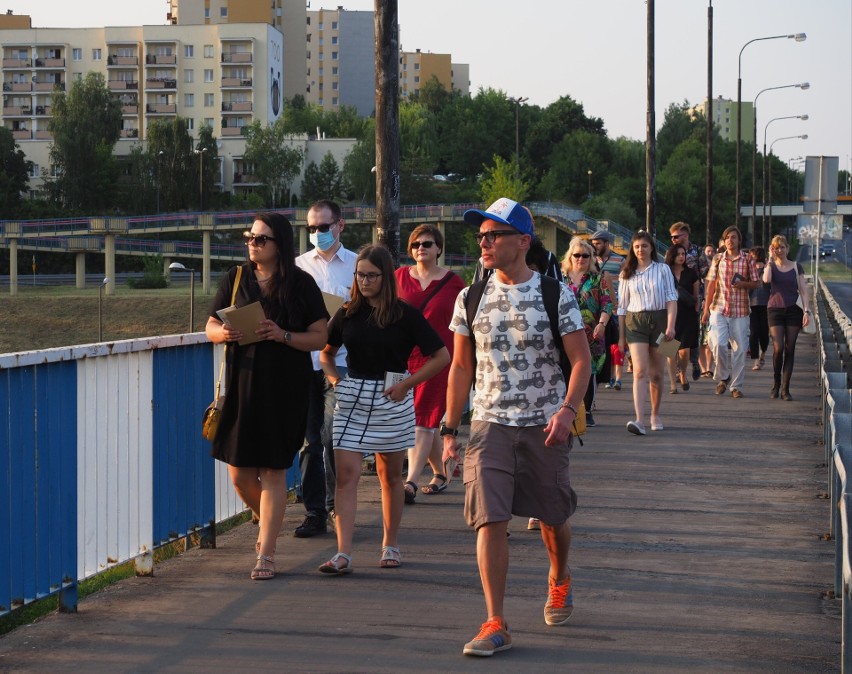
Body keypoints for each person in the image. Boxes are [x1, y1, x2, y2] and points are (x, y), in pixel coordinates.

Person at [442, 198, 591, 657]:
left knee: (552, 516)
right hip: (489, 425)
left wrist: (567, 409)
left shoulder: (554, 294)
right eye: (481, 235)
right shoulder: (469, 297)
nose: (484, 242)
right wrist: (450, 431)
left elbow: (582, 359)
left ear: (522, 242)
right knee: (489, 519)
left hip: (545, 423)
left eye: (494, 235)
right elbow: (460, 369)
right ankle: (495, 622)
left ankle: (559, 576)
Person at [206, 213, 329, 580]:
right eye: (250, 237)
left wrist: (283, 335)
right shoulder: (236, 277)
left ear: (280, 245)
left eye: (261, 239)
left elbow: (320, 337)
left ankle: (267, 554)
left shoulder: (301, 284)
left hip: (285, 389)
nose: (252, 243)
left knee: (274, 470)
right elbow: (211, 323)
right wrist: (222, 335)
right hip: (242, 387)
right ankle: (268, 521)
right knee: (239, 474)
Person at [317, 245, 449, 574]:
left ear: (386, 277)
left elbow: (441, 357)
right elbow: (326, 353)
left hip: (393, 397)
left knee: (389, 477)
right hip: (352, 398)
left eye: (371, 275)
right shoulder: (347, 313)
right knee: (345, 478)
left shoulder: (405, 314)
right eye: (359, 274)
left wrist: (408, 384)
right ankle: (343, 553)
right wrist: (335, 380)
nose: (364, 281)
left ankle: (390, 545)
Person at [293, 200, 358, 538]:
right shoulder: (298, 266)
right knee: (308, 441)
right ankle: (314, 511)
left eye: (323, 226)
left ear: (340, 226)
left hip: (341, 363)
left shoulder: (357, 265)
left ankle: (336, 507)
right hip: (305, 363)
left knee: (334, 437)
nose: (317, 233)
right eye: (312, 228)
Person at [394, 224, 465, 502]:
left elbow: (463, 321)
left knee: (422, 417)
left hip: (439, 357)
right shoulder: (398, 277)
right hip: (404, 356)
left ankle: (410, 482)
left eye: (427, 243)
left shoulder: (454, 282)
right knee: (427, 420)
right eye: (415, 245)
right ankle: (440, 473)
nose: (420, 248)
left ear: (438, 248)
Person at [616, 230, 678, 435]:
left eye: (644, 246)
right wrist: (622, 338)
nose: (640, 250)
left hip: (661, 321)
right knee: (640, 371)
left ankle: (655, 414)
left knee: (658, 374)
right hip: (636, 323)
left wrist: (671, 326)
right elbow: (622, 307)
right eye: (636, 247)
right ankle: (639, 420)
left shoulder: (663, 270)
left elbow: (671, 298)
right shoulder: (626, 273)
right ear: (632, 250)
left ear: (651, 247)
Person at [700, 226, 760, 398]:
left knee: (739, 349)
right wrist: (705, 310)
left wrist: (744, 284)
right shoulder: (718, 259)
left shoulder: (748, 259)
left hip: (740, 310)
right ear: (724, 240)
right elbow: (711, 285)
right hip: (719, 307)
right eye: (727, 237)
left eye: (733, 237)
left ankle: (736, 387)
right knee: (717, 343)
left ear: (738, 240)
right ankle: (723, 376)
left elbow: (756, 283)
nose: (730, 240)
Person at [561, 238, 613, 427]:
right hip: (564, 332)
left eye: (585, 255)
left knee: (588, 371)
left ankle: (587, 410)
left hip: (591, 332)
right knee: (565, 369)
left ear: (591, 258)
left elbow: (607, 303)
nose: (581, 259)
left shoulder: (597, 278)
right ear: (570, 256)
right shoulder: (559, 277)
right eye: (577, 255)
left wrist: (602, 324)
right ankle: (567, 409)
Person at [763, 235, 811, 400]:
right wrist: (769, 258)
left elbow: (804, 290)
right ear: (773, 249)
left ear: (787, 248)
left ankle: (785, 389)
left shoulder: (796, 267)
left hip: (793, 311)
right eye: (776, 248)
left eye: (782, 247)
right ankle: (776, 383)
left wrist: (807, 311)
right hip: (775, 310)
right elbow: (766, 280)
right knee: (779, 348)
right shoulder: (771, 266)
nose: (780, 250)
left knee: (790, 349)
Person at [669, 222, 708, 381]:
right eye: (671, 237)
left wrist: (703, 300)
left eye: (676, 236)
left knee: (692, 336)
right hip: (673, 304)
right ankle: (678, 370)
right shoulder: (671, 253)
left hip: (693, 301)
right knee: (672, 337)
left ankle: (693, 362)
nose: (673, 239)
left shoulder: (698, 251)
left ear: (685, 235)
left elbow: (706, 274)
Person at [590, 230, 625, 390]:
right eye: (593, 243)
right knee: (606, 343)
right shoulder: (590, 259)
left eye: (598, 243)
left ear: (606, 243)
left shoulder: (620, 260)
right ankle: (610, 377)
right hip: (599, 307)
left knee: (617, 343)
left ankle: (674, 362)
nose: (595, 246)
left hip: (618, 307)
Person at [663, 243, 700, 394]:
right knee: (670, 352)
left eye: (683, 254)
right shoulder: (665, 272)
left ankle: (683, 373)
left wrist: (697, 312)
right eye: (678, 254)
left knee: (684, 352)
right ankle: (673, 383)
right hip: (668, 315)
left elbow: (696, 297)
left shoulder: (691, 273)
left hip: (687, 316)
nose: (681, 256)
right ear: (672, 255)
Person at [747, 246, 770, 371]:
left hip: (766, 304)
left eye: (751, 255)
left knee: (764, 333)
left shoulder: (767, 268)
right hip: (751, 304)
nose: (749, 257)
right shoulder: (749, 269)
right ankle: (755, 360)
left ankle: (763, 354)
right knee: (753, 332)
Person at [698, 243, 717, 377]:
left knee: (708, 339)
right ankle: (676, 372)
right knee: (697, 341)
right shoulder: (696, 278)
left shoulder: (714, 276)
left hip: (709, 307)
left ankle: (708, 368)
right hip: (691, 309)